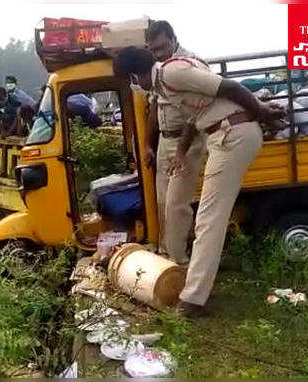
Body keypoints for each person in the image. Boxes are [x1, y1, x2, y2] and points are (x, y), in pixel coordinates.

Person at [113, 47, 285, 316]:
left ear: (136, 75)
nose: (135, 87)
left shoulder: (173, 73)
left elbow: (229, 87)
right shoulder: (165, 85)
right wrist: (180, 153)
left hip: (232, 135)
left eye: (132, 81)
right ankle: (193, 290)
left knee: (208, 219)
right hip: (223, 136)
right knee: (207, 217)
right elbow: (194, 119)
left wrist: (260, 110)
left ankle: (192, 300)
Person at [145, 20, 208, 264]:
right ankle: (165, 254)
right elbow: (153, 109)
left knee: (176, 204)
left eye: (161, 48)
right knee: (162, 202)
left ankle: (179, 261)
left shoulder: (189, 64)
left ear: (173, 39)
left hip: (188, 141)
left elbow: (196, 113)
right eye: (153, 51)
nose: (158, 54)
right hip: (164, 141)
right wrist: (148, 145)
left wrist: (182, 151)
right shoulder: (157, 69)